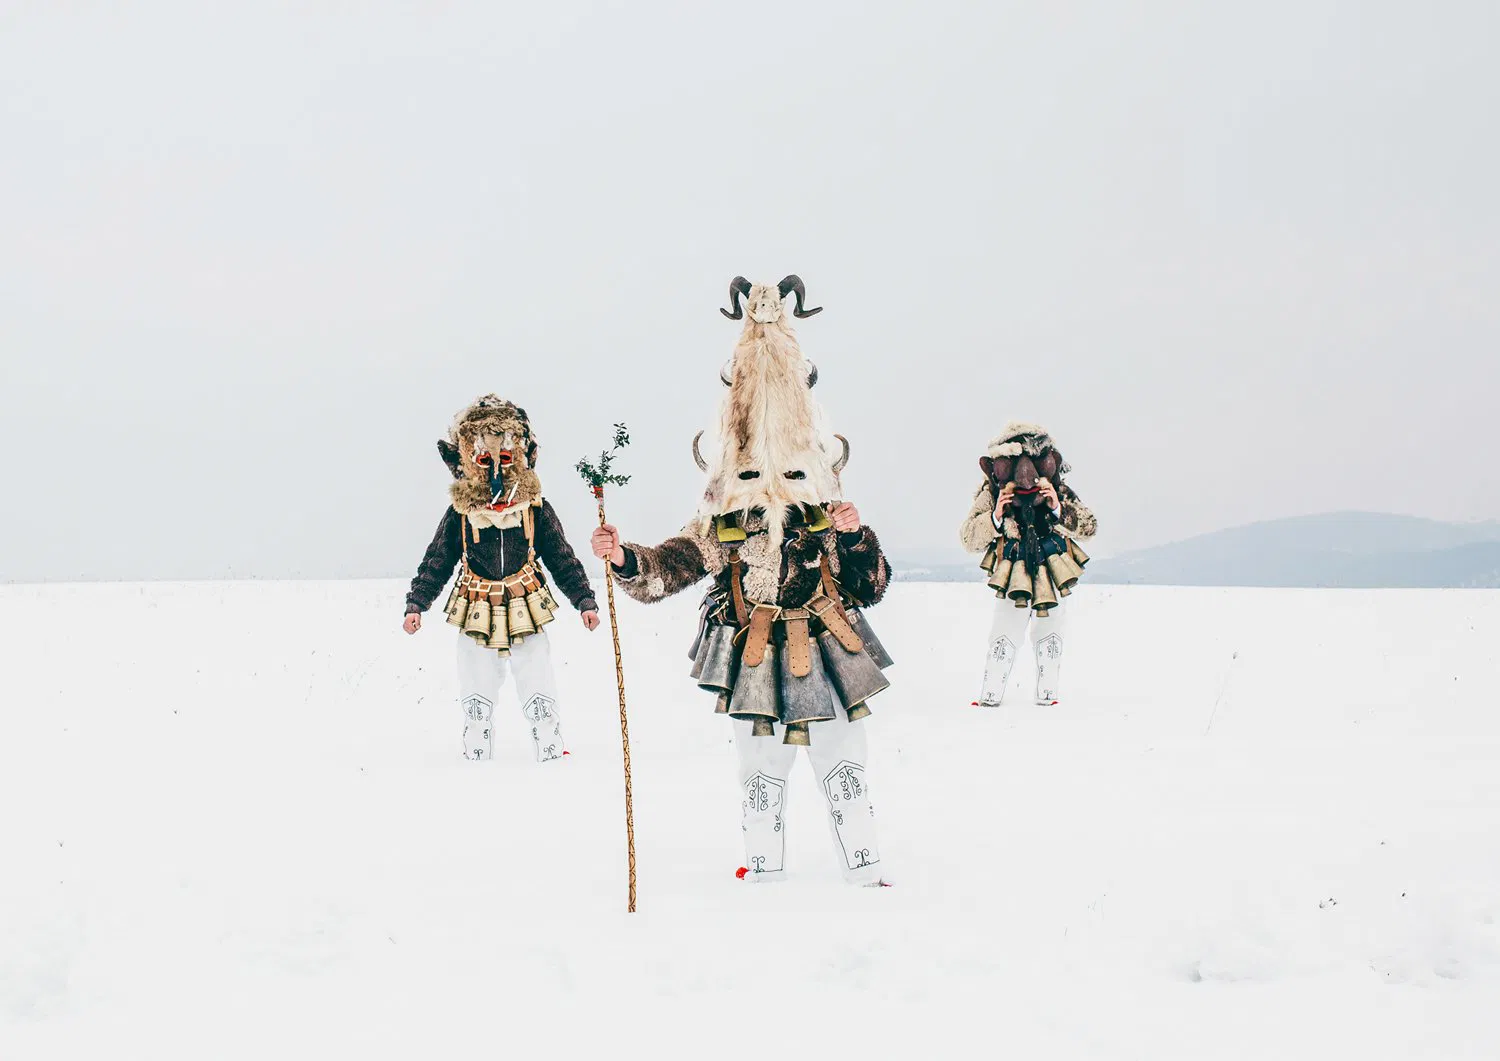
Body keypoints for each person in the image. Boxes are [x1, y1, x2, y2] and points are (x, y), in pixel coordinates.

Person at [593, 275, 896, 887]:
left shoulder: (825, 510)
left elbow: (870, 585)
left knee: (843, 766)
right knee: (760, 774)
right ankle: (764, 877)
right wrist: (624, 558)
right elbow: (670, 567)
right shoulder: (725, 518)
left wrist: (855, 537)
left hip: (827, 642)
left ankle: (865, 874)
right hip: (752, 646)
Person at [404, 395, 599, 762]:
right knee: (475, 680)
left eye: (505, 458)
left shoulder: (535, 510)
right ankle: (477, 754)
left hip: (526, 602)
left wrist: (584, 600)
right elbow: (437, 560)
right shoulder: (460, 514)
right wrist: (417, 603)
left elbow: (561, 557)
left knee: (536, 674)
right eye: (484, 460)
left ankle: (550, 749)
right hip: (476, 604)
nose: (495, 468)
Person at [959, 422, 1097, 707]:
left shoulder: (1058, 490)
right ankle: (991, 694)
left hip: (1053, 565)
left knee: (1051, 631)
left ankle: (1047, 694)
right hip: (1013, 569)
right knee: (1004, 630)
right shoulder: (992, 494)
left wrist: (1058, 508)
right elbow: (969, 538)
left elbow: (1088, 526)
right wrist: (995, 517)